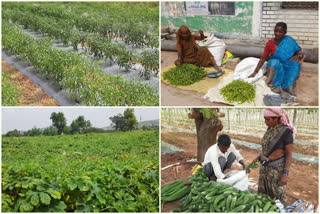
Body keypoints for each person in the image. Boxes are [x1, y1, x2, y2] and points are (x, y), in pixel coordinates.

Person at [251, 108, 295, 204]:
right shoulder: (270, 129)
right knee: (263, 198)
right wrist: (258, 157)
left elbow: (289, 153)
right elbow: (266, 149)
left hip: (276, 172)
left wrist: (285, 174)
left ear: (276, 118)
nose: (265, 122)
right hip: (264, 170)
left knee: (277, 199)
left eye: (268, 119)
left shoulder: (286, 132)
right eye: (265, 119)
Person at [248, 22, 304, 96]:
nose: (277, 33)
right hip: (277, 65)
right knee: (274, 63)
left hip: (287, 64)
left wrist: (298, 56)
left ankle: (287, 87)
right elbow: (263, 58)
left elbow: (300, 51)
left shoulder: (289, 40)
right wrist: (255, 72)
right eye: (275, 31)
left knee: (295, 63)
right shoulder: (270, 43)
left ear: (285, 32)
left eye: (280, 32)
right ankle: (274, 86)